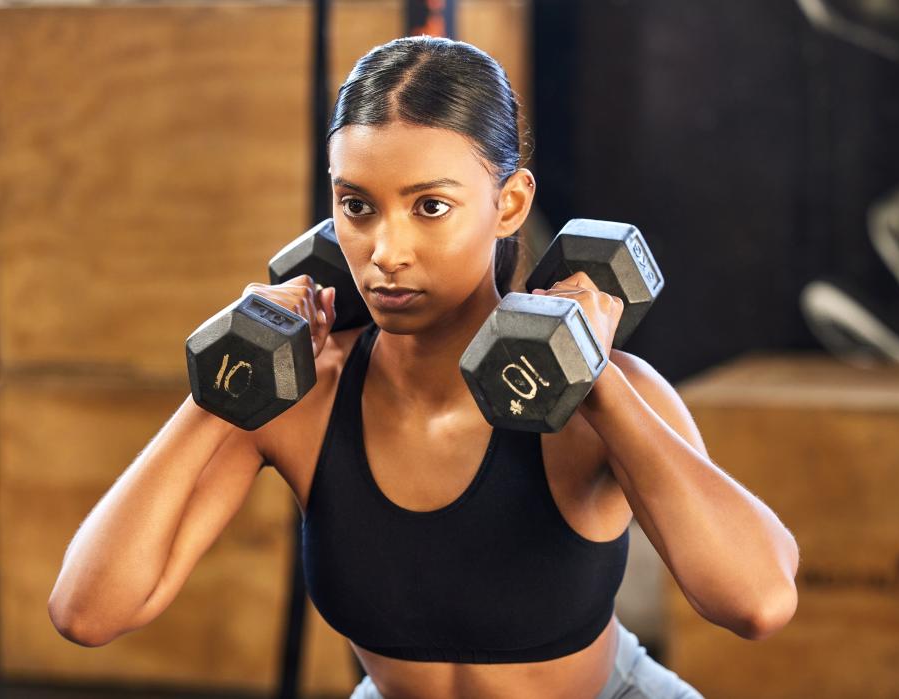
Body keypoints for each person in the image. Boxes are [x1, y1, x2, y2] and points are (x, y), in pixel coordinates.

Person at [47, 36, 800, 699]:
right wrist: (219, 390)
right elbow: (87, 611)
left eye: (429, 207)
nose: (385, 251)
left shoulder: (609, 395)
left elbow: (759, 602)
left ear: (508, 205)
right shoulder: (304, 396)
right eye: (357, 205)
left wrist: (593, 378)